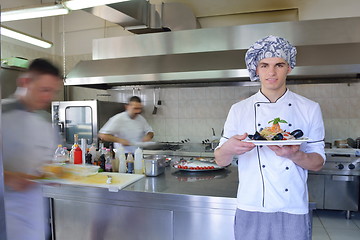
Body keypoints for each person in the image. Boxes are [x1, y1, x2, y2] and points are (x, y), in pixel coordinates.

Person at [214, 35, 325, 240]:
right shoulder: (239, 110)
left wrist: (294, 155)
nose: (271, 72)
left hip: (292, 206)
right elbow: (221, 160)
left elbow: (318, 163)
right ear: (256, 69)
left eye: (279, 65)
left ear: (289, 67)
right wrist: (229, 148)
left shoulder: (309, 108)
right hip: (251, 205)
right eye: (264, 65)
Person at [2, 58, 62, 240]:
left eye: (53, 92)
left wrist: (51, 173)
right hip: (6, 214)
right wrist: (8, 177)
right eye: (44, 90)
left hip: (33, 213)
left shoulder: (44, 122)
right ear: (25, 82)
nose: (48, 98)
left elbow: (47, 163)